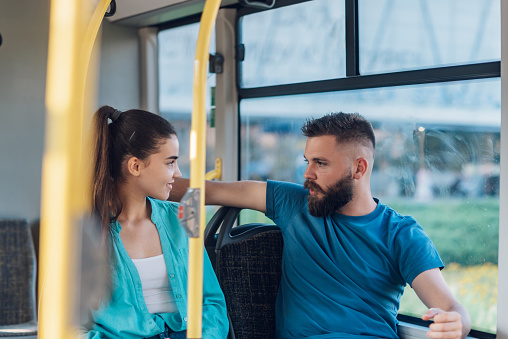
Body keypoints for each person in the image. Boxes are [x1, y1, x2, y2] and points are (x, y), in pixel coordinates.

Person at [170, 112, 471, 339]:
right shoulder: (292, 202)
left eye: (320, 163)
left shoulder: (401, 234)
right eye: (307, 161)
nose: (307, 174)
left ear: (359, 168)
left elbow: (451, 307)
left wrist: (456, 324)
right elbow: (207, 190)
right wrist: (131, 183)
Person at [80, 106, 228, 339]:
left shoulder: (183, 215)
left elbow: (212, 301)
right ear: (135, 166)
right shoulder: (85, 231)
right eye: (170, 163)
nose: (178, 173)